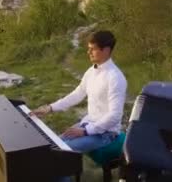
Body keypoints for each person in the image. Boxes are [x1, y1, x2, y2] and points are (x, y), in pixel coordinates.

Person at [32, 30, 127, 179]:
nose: (88, 52)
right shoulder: (91, 71)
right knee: (53, 147)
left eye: (93, 49)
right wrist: (49, 108)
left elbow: (115, 116)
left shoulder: (115, 78)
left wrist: (86, 131)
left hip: (106, 134)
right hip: (89, 124)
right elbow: (77, 94)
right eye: (88, 48)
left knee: (60, 156)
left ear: (106, 50)